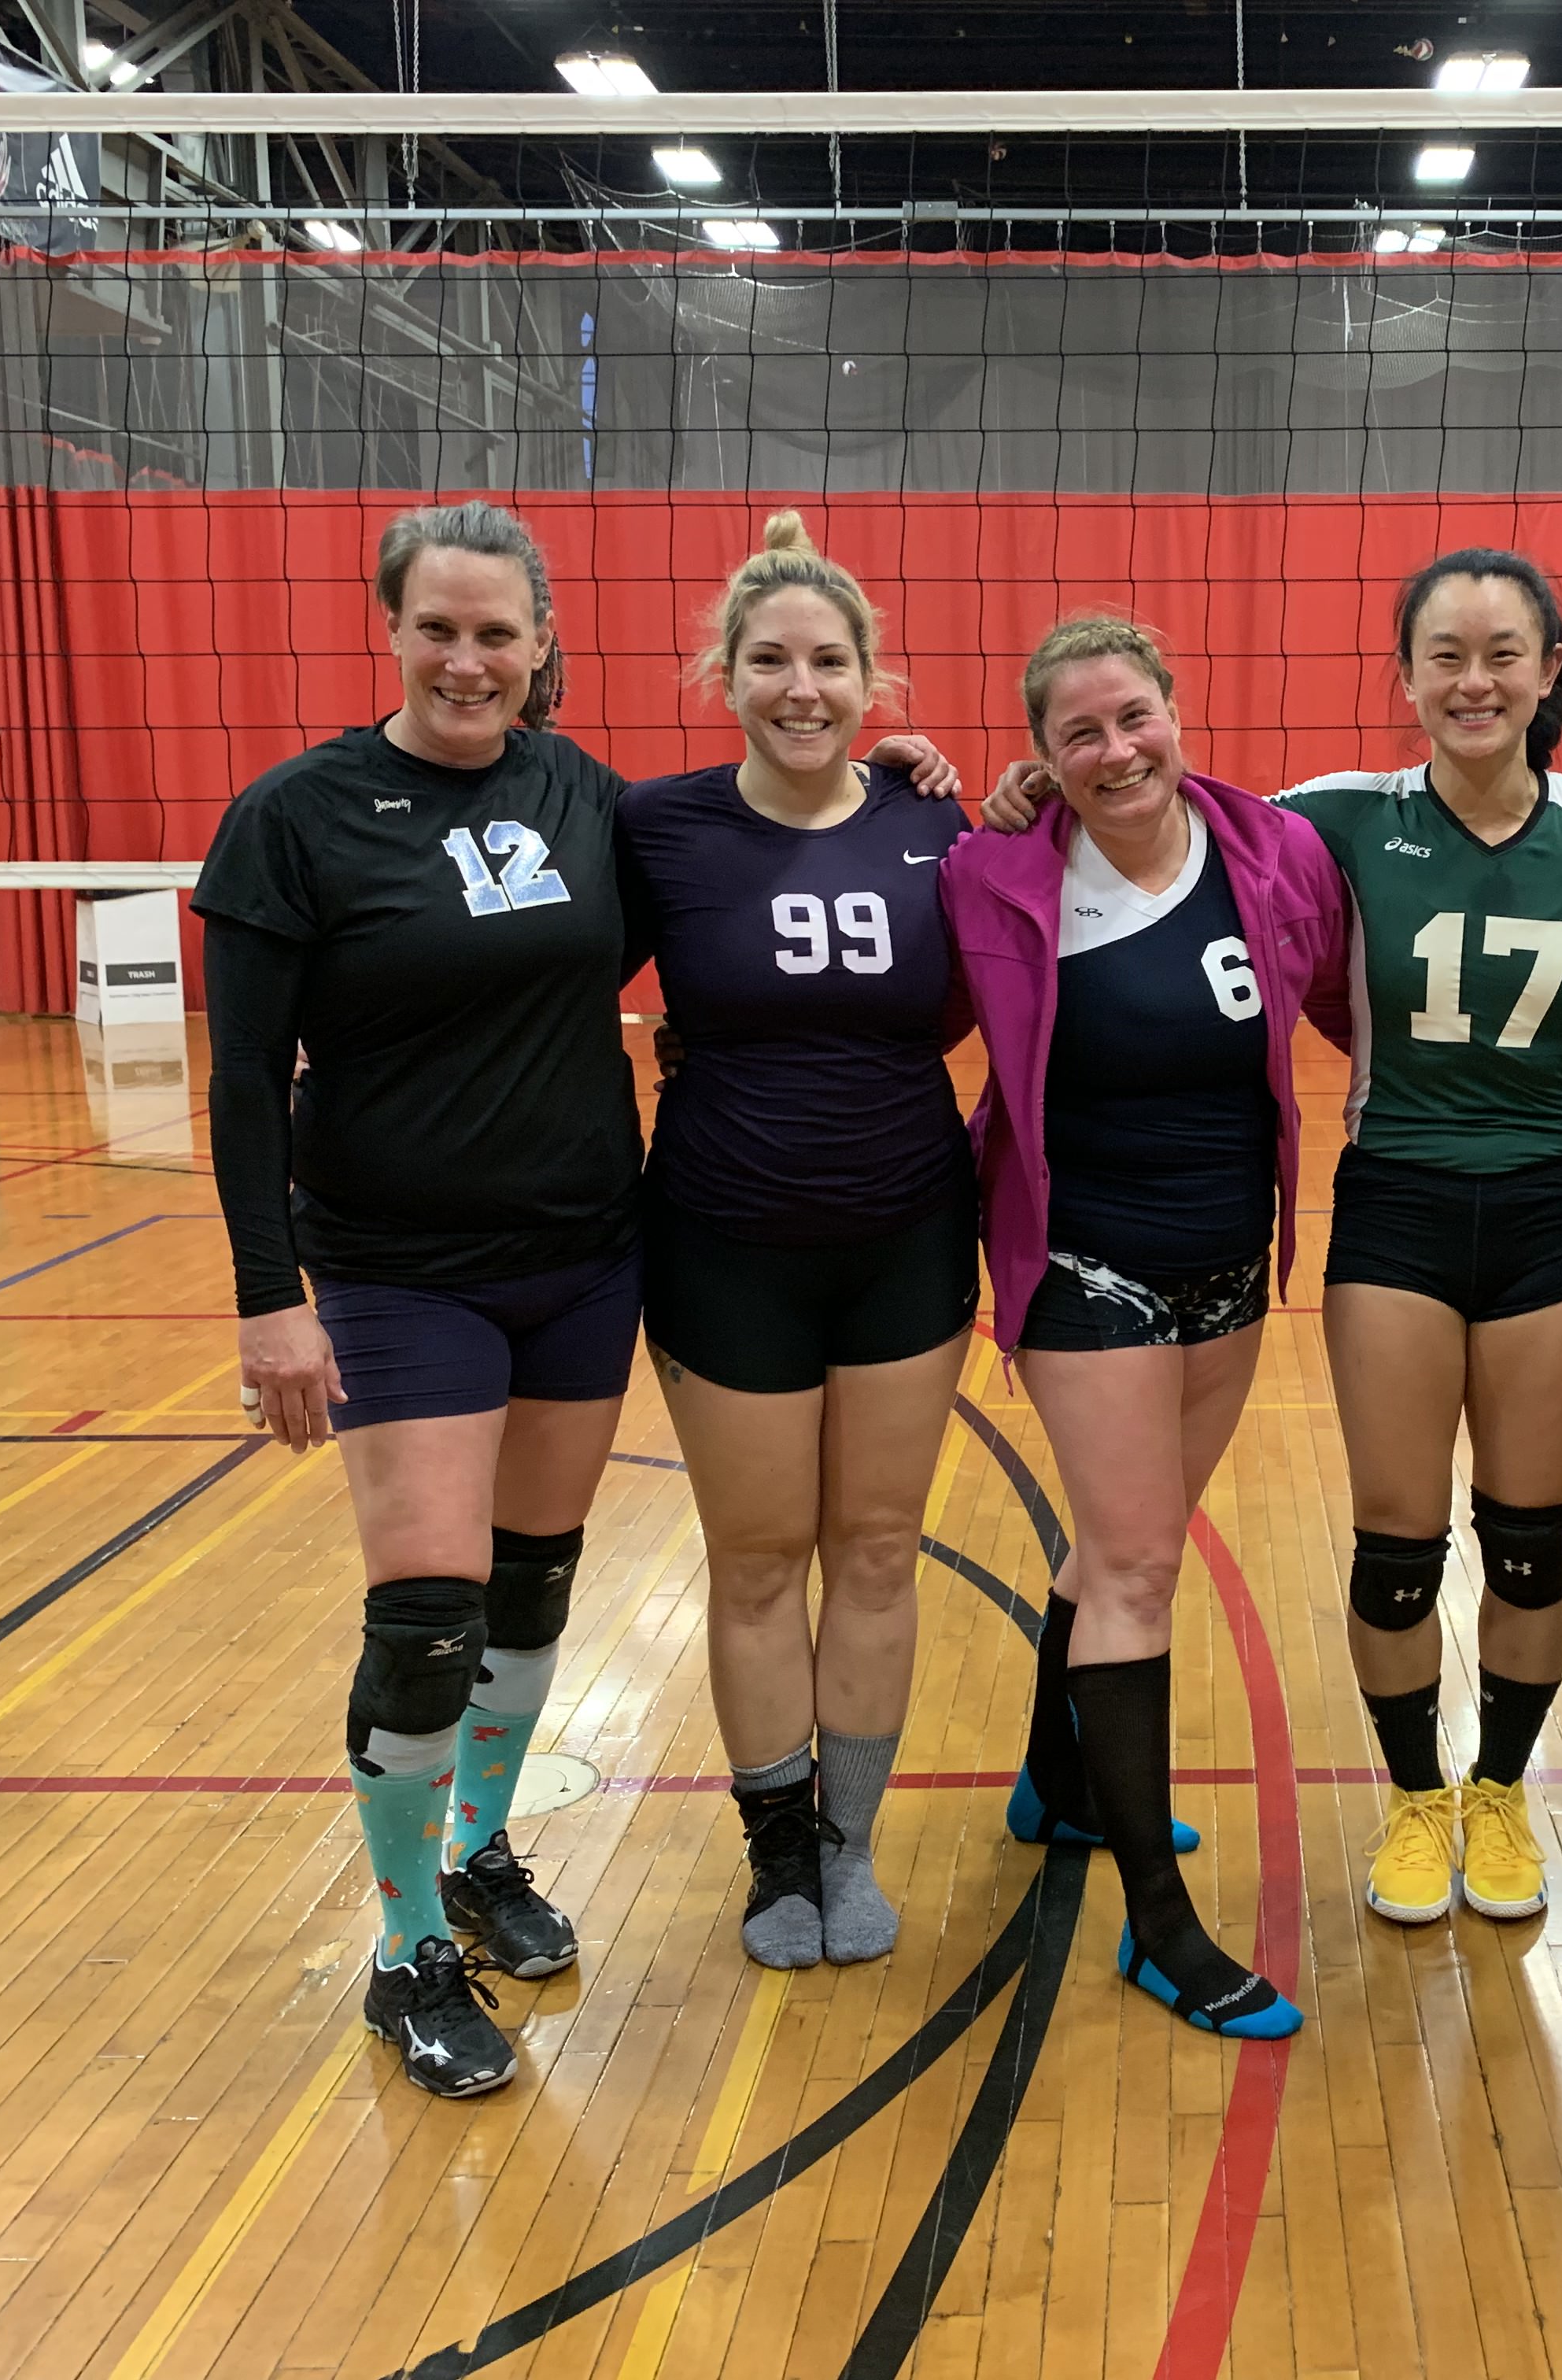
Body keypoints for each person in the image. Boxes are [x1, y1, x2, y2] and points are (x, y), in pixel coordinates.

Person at [989, 551, 1562, 1929]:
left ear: (1550, 669)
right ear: (1404, 675)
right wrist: (1033, 790)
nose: (1475, 680)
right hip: (1396, 1206)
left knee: (1531, 1545)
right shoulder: (1331, 819)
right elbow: (1165, 818)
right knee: (1397, 1550)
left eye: (1504, 653)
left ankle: (1501, 1792)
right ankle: (1415, 1801)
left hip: (1544, 1212)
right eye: (1444, 655)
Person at [198, 500, 637, 2098]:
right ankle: (403, 1954)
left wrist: (910, 778)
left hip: (584, 1255)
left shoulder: (583, 796)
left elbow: (741, 859)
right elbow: (245, 1078)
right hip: (397, 1270)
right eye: (438, 628)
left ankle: (480, 1851)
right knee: (429, 1613)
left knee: (532, 1586)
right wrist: (271, 1298)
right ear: (391, 629)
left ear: (540, 643)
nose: (466, 660)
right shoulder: (295, 818)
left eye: (495, 633)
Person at [944, 617, 1350, 2038]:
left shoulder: (1276, 851)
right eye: (1080, 734)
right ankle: (1162, 1931)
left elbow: (1348, 996)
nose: (1117, 751)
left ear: (1176, 712)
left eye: (1135, 718)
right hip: (1084, 1263)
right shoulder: (996, 870)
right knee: (1136, 1565)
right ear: (1042, 758)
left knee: (1129, 1537)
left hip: (1231, 1256)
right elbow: (891, 969)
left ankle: (1058, 1786)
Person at [617, 514, 978, 1972]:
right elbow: (538, 973)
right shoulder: (659, 828)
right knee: (759, 1560)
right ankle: (776, 1852)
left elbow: (1009, 973)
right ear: (725, 675)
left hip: (906, 1237)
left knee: (878, 1549)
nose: (802, 688)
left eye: (830, 662)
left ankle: (849, 1846)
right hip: (725, 1242)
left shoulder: (935, 825)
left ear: (873, 680)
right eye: (770, 660)